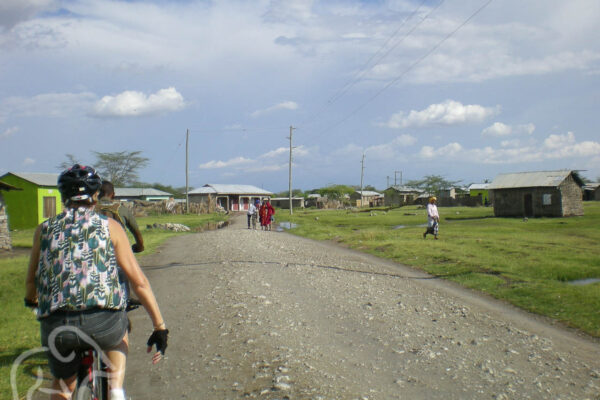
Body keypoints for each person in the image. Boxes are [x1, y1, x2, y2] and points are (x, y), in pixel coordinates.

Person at [24, 164, 168, 400]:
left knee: (62, 387)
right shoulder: (110, 227)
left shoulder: (44, 229)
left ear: (64, 196)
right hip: (104, 323)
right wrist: (160, 327)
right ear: (95, 196)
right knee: (120, 335)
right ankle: (116, 391)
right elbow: (139, 282)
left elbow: (32, 280)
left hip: (58, 326)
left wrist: (32, 301)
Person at [97, 180, 144, 253]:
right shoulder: (121, 209)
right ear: (113, 195)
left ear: (97, 194)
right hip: (118, 250)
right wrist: (139, 246)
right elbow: (136, 231)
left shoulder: (89, 209)